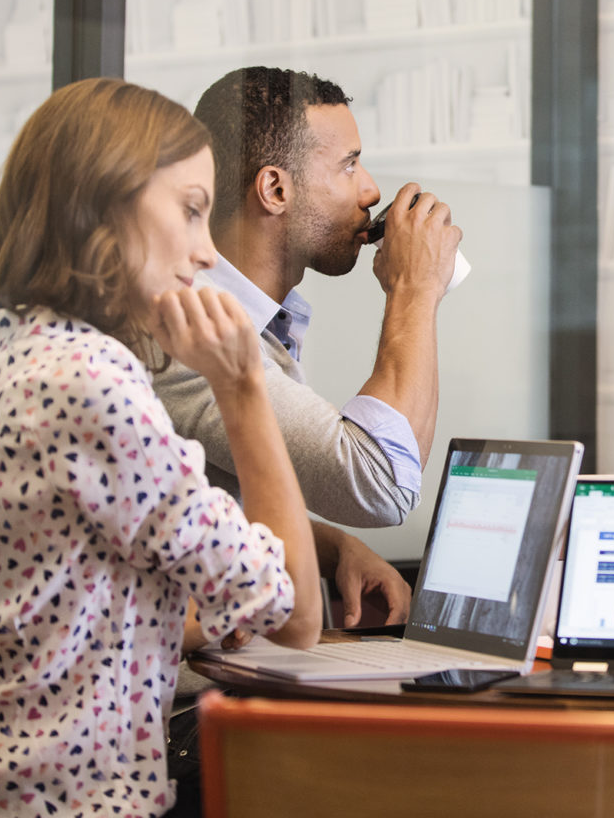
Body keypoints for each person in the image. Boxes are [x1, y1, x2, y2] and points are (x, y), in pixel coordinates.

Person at [0, 78, 322, 817]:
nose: (208, 253)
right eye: (190, 210)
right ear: (102, 206)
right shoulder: (91, 378)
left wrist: (137, 619)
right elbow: (298, 613)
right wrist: (242, 387)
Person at [153, 66, 463, 627]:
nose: (371, 190)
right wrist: (415, 290)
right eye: (349, 165)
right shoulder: (191, 328)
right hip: (182, 705)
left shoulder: (257, 321)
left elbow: (205, 504)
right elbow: (381, 483)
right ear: (275, 189)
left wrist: (330, 546)